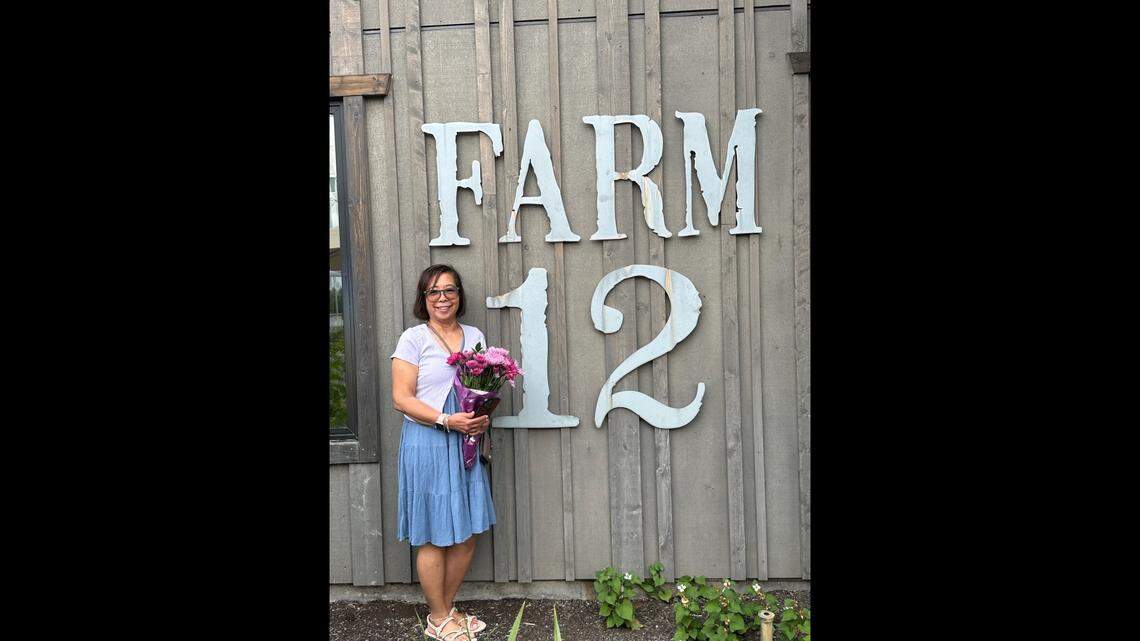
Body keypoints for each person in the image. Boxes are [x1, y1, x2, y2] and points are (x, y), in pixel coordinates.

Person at [392, 264, 496, 641]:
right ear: (424, 298)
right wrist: (445, 420)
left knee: (467, 533)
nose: (442, 298)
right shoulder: (413, 339)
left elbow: (484, 388)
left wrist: (481, 418)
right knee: (434, 534)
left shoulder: (474, 336)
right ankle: (438, 617)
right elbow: (400, 399)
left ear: (459, 295)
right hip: (428, 442)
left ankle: (445, 611)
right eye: (433, 292)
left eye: (449, 291)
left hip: (466, 442)